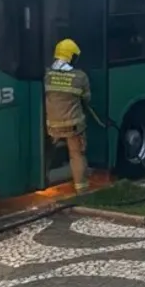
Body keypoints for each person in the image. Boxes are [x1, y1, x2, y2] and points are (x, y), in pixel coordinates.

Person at [44, 38, 95, 193]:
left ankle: (44, 180)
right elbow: (87, 99)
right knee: (76, 155)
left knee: (47, 154)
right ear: (72, 57)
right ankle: (82, 190)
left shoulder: (47, 75)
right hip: (73, 125)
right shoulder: (80, 77)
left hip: (51, 125)